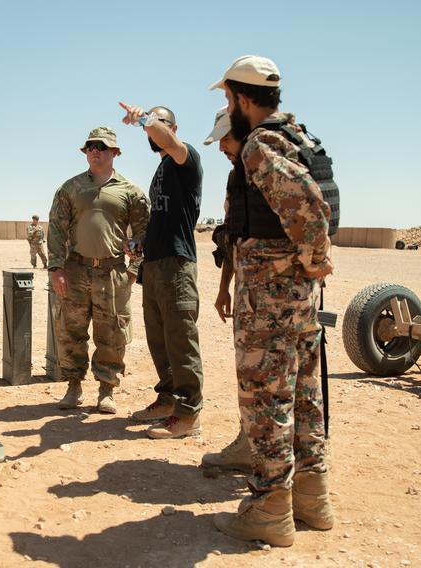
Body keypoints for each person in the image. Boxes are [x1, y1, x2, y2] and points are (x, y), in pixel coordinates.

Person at [207, 55, 334, 547]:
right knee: (304, 394)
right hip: (298, 294)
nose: (227, 107)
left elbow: (307, 204)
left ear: (241, 98)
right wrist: (311, 263)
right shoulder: (298, 136)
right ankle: (312, 496)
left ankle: (269, 509)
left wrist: (314, 255)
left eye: (226, 98)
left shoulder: (261, 143)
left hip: (270, 296)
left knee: (266, 400)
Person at [47, 127, 149, 414]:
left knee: (111, 334)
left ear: (115, 152)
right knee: (71, 331)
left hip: (113, 274)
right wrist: (56, 268)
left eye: (102, 147)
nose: (95, 151)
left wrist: (133, 270)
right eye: (91, 147)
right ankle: (73, 386)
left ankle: (106, 390)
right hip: (76, 270)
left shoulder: (130, 192)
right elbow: (55, 228)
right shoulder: (70, 188)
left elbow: (143, 233)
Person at [118, 102, 204, 440]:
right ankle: (168, 400)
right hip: (154, 264)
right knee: (160, 340)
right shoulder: (162, 169)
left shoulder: (187, 158)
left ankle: (188, 415)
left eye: (161, 122)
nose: (153, 130)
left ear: (173, 129)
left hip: (177, 264)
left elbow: (165, 139)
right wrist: (141, 243)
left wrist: (143, 118)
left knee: (181, 340)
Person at [200, 106, 253, 473]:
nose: (221, 149)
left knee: (262, 378)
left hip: (271, 296)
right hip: (251, 288)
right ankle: (249, 442)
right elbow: (234, 239)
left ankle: (255, 449)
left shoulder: (264, 170)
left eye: (226, 139)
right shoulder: (239, 177)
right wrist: (224, 289)